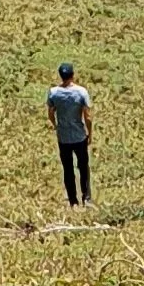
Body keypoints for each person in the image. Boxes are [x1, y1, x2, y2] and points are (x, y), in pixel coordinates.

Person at [47, 62, 92, 207]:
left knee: (68, 168)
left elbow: (50, 113)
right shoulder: (81, 92)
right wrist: (89, 133)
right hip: (79, 136)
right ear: (73, 75)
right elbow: (87, 116)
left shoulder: (54, 93)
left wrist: (56, 126)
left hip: (63, 137)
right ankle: (86, 197)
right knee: (83, 166)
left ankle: (73, 201)